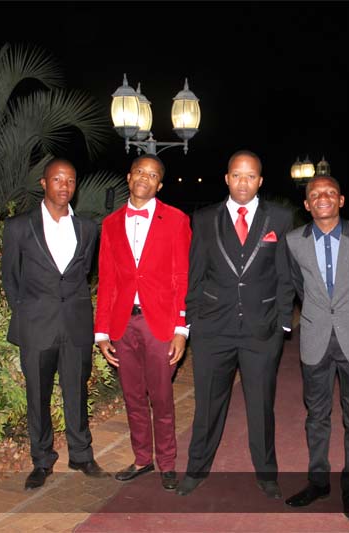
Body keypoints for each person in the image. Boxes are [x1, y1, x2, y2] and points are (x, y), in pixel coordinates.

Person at [176, 150, 294, 499]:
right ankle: (196, 469)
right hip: (213, 330)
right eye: (237, 175)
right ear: (227, 178)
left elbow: (286, 274)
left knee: (261, 406)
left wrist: (283, 323)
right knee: (207, 405)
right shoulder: (204, 219)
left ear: (260, 180)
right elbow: (195, 274)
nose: (244, 182)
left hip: (262, 330)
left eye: (250, 176)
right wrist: (193, 320)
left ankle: (267, 474)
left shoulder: (280, 218)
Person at [2, 159, 108, 490]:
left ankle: (81, 455)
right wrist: (28, 314)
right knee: (38, 396)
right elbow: (10, 278)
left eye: (71, 181)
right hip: (37, 326)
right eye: (58, 179)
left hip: (75, 325)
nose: (65, 186)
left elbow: (83, 273)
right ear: (44, 183)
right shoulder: (19, 226)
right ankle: (42, 460)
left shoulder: (87, 228)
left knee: (76, 391)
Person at [94, 154, 191, 491]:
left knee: (161, 398)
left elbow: (182, 277)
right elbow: (107, 279)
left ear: (159, 185)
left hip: (159, 323)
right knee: (132, 396)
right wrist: (101, 331)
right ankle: (141, 459)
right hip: (123, 323)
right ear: (129, 176)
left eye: (152, 175)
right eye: (139, 172)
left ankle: (167, 462)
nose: (144, 179)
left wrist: (181, 329)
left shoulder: (176, 220)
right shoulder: (110, 223)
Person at [283, 176, 349, 521]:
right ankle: (318, 482)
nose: (323, 197)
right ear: (307, 204)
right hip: (315, 338)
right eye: (315, 194)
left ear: (341, 199)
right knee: (316, 415)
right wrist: (320, 315)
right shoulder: (293, 241)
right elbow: (298, 287)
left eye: (330, 192)